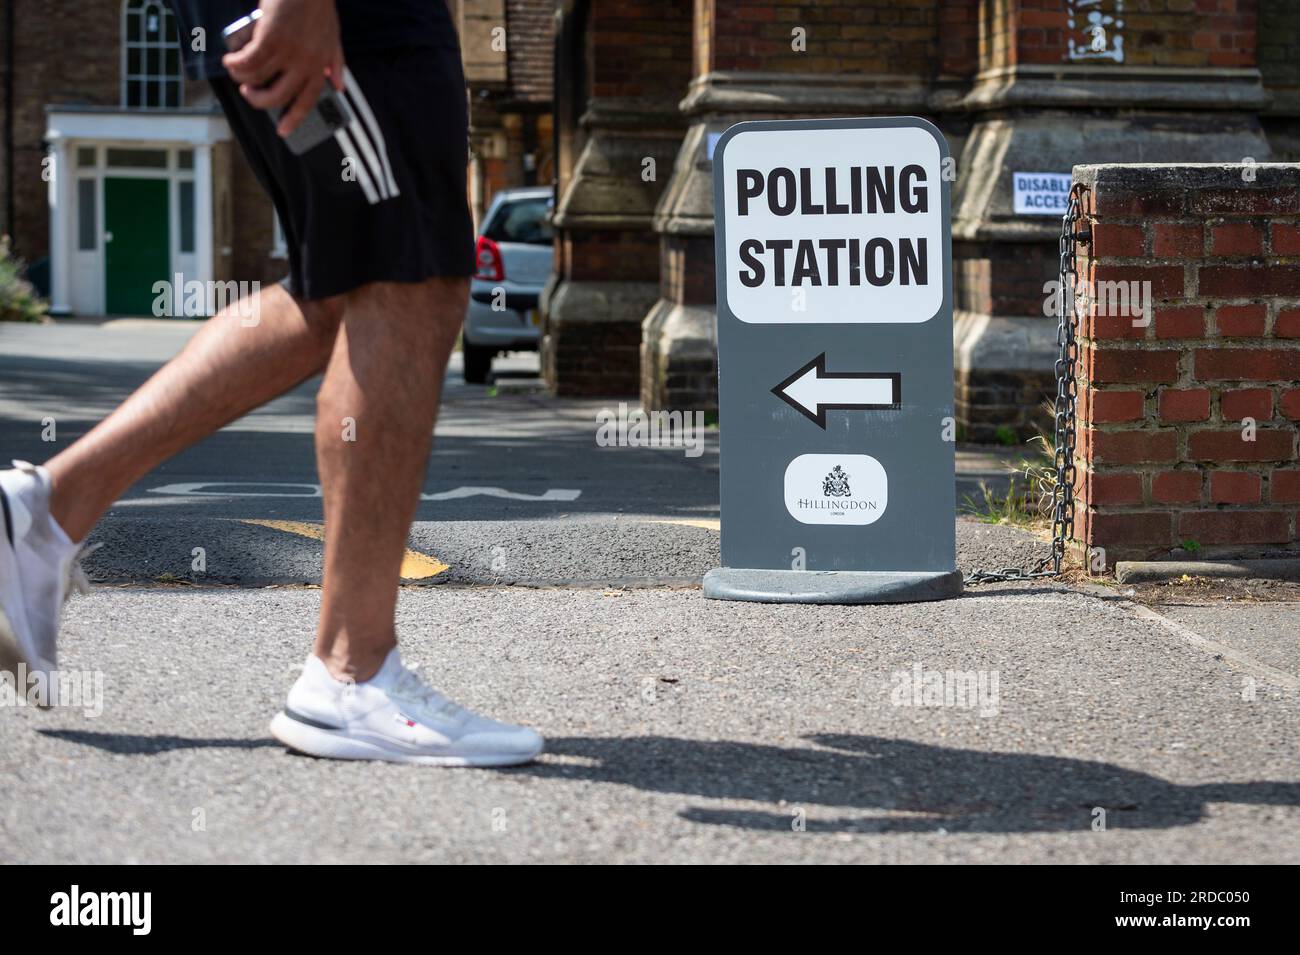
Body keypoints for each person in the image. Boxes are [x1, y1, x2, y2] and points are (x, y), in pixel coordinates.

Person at [0, 0, 543, 766]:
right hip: (355, 24)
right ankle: (353, 674)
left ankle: (42, 513)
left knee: (338, 291)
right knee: (407, 281)